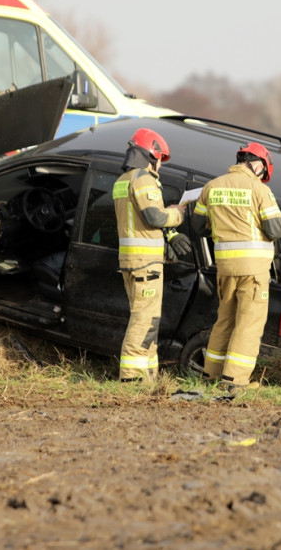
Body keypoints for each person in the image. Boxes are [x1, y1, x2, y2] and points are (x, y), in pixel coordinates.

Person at [191, 142, 281, 391]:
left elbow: (198, 227)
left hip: (225, 269)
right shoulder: (259, 190)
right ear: (258, 165)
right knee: (248, 323)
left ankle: (211, 374)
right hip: (253, 271)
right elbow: (276, 229)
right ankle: (235, 380)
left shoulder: (211, 187)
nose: (263, 177)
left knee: (225, 320)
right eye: (264, 172)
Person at [113, 128, 191, 382]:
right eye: (160, 159)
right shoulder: (144, 179)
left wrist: (165, 237)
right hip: (146, 265)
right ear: (152, 154)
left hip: (133, 262)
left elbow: (141, 222)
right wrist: (178, 213)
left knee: (149, 321)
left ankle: (148, 378)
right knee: (144, 321)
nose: (160, 165)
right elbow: (154, 217)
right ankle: (132, 378)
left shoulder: (122, 181)